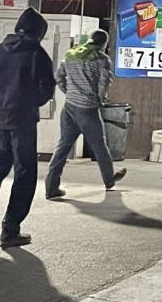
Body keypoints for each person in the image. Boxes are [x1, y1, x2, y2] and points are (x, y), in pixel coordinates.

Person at [0, 9, 56, 248]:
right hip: (22, 118)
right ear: (39, 32)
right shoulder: (37, 53)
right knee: (25, 172)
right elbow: (47, 88)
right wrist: (29, 100)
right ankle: (10, 229)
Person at [45, 29, 127, 200]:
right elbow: (104, 82)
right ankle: (109, 179)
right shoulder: (102, 59)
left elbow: (58, 77)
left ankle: (51, 187)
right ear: (104, 43)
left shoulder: (71, 54)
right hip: (88, 109)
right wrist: (100, 98)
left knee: (63, 147)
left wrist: (68, 91)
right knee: (100, 145)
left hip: (69, 108)